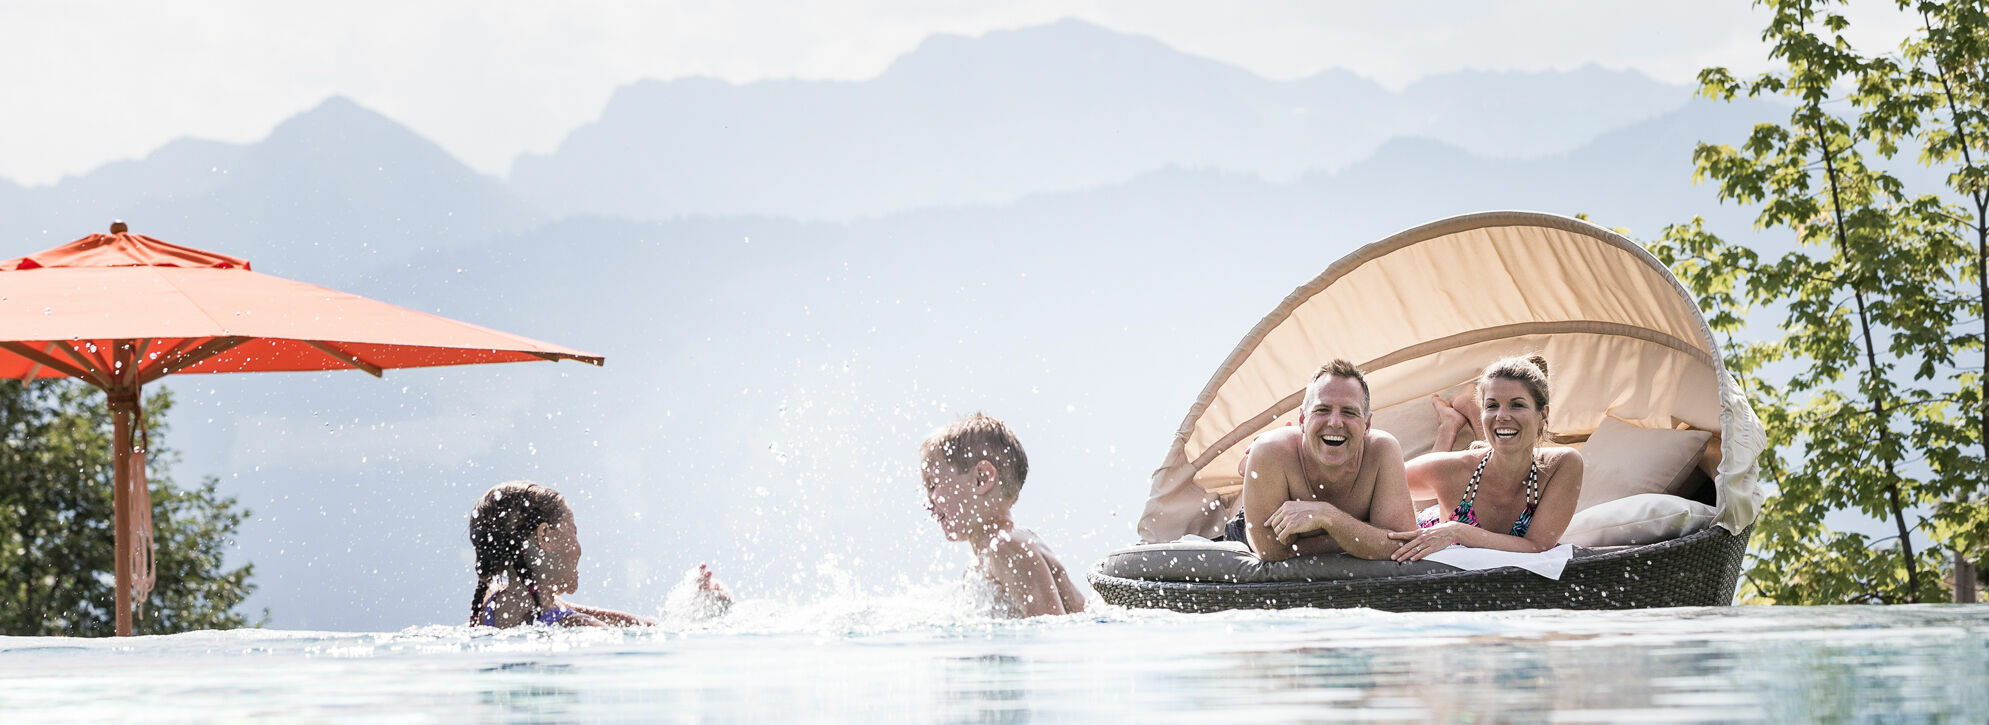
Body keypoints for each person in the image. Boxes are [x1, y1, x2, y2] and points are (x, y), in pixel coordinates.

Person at [1393, 355, 1584, 561]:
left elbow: (1537, 546)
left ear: (1543, 414)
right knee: (1430, 496)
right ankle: (1448, 427)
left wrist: (1457, 531)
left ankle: (1457, 415)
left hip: (1450, 530)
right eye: (1492, 406)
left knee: (1502, 437)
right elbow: (1382, 479)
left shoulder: (1560, 465)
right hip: (1433, 530)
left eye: (1517, 405)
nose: (1502, 415)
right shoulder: (1454, 468)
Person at [467, 480, 731, 627]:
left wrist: (686, 615)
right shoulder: (576, 629)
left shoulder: (491, 605)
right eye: (573, 532)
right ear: (545, 536)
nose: (579, 549)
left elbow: (632, 626)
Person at [1236, 359, 1417, 561]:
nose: (1335, 423)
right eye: (1322, 410)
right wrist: (1365, 535)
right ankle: (1247, 468)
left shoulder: (1382, 449)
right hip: (1245, 528)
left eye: (1349, 412)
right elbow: (1272, 552)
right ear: (1302, 420)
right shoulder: (1270, 450)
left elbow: (1403, 545)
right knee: (1260, 455)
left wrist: (1327, 517)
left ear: (1367, 424)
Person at [918, 413, 1086, 617]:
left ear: (982, 478)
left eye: (933, 485)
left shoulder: (1007, 547)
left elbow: (1051, 630)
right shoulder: (982, 562)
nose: (928, 503)